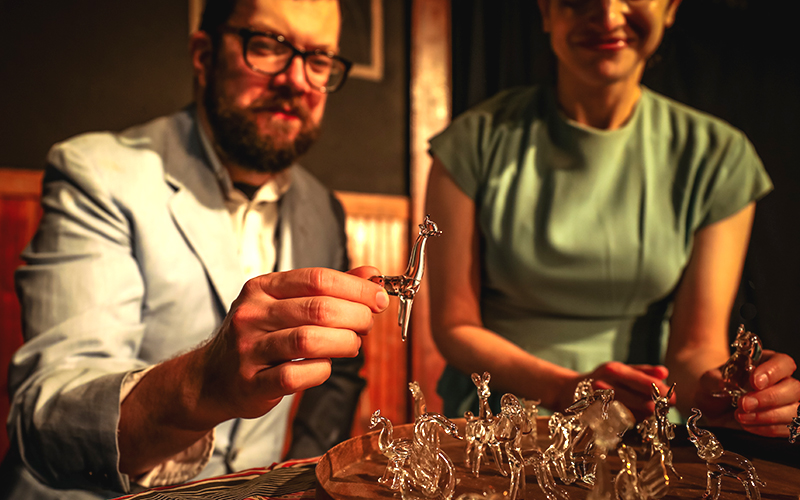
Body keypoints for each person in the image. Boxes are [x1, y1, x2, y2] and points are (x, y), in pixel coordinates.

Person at [1, 0, 391, 498]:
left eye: (319, 60)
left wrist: (304, 479)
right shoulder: (96, 174)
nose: (297, 79)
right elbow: (46, 423)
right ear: (204, 54)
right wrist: (207, 382)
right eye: (269, 47)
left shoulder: (322, 208)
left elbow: (340, 376)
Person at [426, 0, 800, 438]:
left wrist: (724, 393)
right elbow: (455, 325)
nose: (607, 16)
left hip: (643, 424)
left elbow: (694, 347)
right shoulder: (471, 142)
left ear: (671, 8)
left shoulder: (719, 156)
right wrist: (568, 389)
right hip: (505, 423)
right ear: (546, 12)